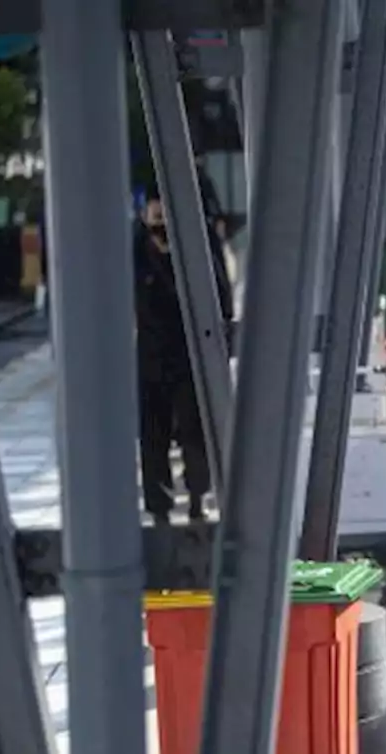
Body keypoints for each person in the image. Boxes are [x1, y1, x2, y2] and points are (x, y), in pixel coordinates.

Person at [133, 193, 231, 526]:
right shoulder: (136, 246)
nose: (159, 225)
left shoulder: (199, 239)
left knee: (194, 430)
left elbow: (222, 289)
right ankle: (158, 503)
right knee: (153, 433)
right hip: (150, 352)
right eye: (154, 217)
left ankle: (197, 497)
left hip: (191, 351)